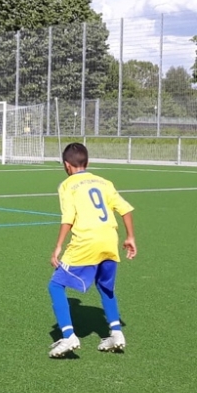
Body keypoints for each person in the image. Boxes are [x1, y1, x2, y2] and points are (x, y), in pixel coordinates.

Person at [47, 143, 137, 358]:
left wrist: (58, 246)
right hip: (109, 240)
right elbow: (125, 209)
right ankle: (116, 333)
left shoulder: (67, 185)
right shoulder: (104, 182)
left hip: (86, 241)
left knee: (55, 285)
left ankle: (68, 336)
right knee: (106, 287)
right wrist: (130, 237)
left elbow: (68, 218)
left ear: (67, 165)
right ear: (87, 162)